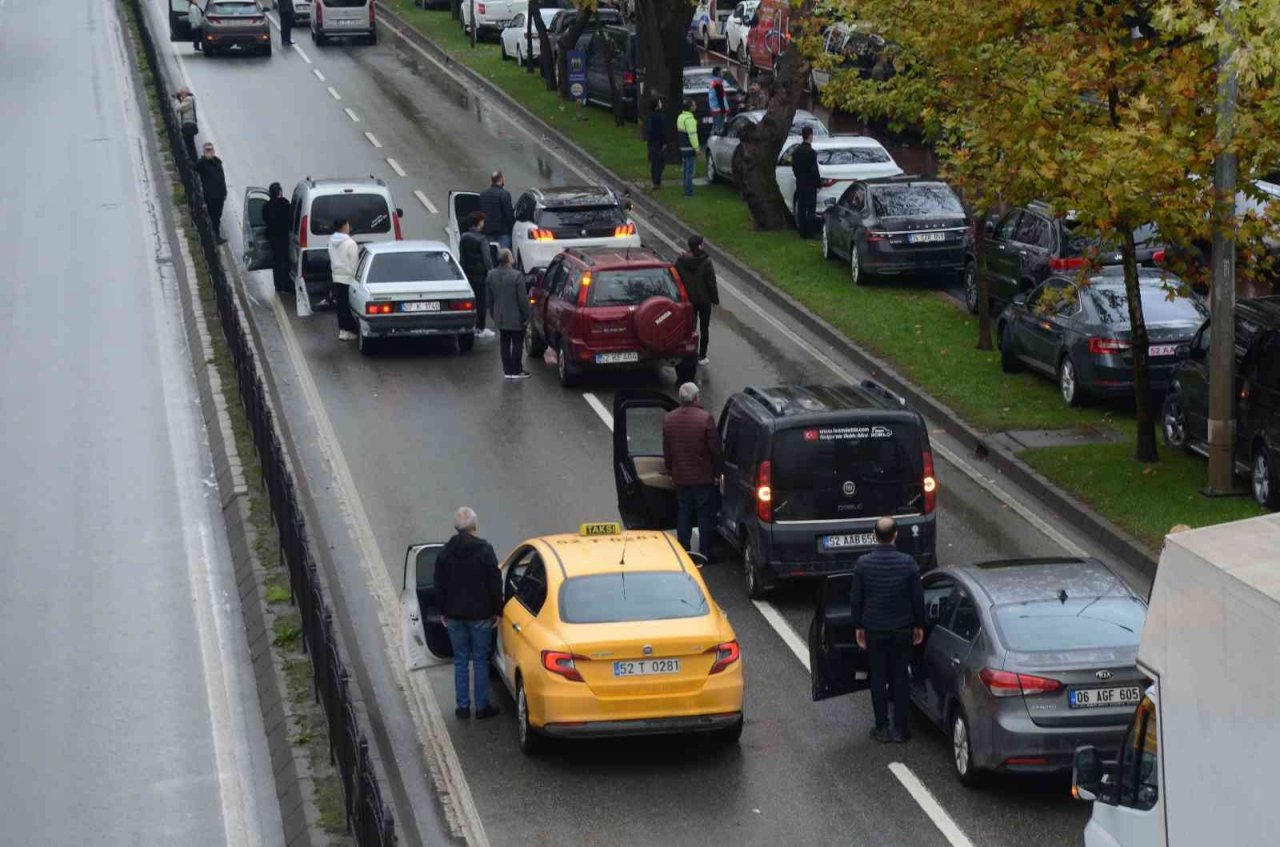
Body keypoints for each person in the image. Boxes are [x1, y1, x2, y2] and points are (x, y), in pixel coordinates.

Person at [850, 517, 925, 744]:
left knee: (878, 677)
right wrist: (919, 625)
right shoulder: (908, 564)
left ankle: (881, 726)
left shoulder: (863, 564)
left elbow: (856, 599)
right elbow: (917, 599)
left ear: (874, 536)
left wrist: (858, 626)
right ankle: (901, 729)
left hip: (875, 629)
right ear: (895, 536)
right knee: (900, 678)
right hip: (902, 629)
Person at [433, 507, 503, 721]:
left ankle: (462, 707)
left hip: (454, 616)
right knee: (480, 659)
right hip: (480, 616)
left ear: (456, 528)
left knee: (461, 660)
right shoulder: (485, 550)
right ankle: (482, 706)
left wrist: (443, 611)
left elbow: (439, 585)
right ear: (474, 527)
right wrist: (497, 611)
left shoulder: (445, 552)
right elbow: (494, 581)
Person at [662, 382, 721, 559]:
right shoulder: (705, 419)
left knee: (684, 513)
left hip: (681, 477)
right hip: (703, 478)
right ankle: (706, 551)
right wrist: (717, 473)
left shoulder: (669, 419)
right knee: (704, 514)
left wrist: (670, 471)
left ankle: (684, 550)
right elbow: (715, 449)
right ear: (696, 398)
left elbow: (668, 449)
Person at [486, 249, 532, 379]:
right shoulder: (517, 276)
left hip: (500, 316)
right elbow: (522, 299)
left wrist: (494, 313)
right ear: (509, 259)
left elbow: (489, 299)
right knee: (517, 343)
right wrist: (527, 315)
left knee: (504, 343)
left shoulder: (491, 275)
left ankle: (507, 370)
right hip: (516, 317)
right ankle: (516, 370)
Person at [674, 234, 718, 365]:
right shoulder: (706, 261)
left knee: (690, 327)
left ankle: (689, 353)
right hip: (704, 301)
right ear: (699, 246)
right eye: (702, 244)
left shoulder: (681, 261)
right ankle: (702, 355)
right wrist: (714, 299)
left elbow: (676, 279)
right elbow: (711, 283)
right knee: (704, 328)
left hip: (688, 301)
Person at [459, 212, 496, 338]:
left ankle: (471, 325)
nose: (484, 223)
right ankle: (481, 327)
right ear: (479, 222)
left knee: (471, 301)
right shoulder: (482, 239)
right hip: (480, 275)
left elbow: (462, 258)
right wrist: (491, 273)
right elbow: (487, 259)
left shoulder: (464, 237)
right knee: (481, 302)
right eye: (482, 221)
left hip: (468, 274)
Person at [327, 218, 360, 342]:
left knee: (341, 305)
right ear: (344, 226)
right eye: (347, 224)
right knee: (349, 306)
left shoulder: (331, 241)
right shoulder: (350, 243)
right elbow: (354, 263)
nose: (348, 226)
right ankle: (350, 330)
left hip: (336, 275)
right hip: (348, 278)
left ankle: (342, 330)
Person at [193, 142, 227, 243]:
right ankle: (214, 237)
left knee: (218, 215)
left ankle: (216, 235)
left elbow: (222, 178)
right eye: (207, 150)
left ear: (213, 151)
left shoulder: (217, 162)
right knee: (213, 217)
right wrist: (204, 158)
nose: (209, 152)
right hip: (211, 195)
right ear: (204, 151)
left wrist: (224, 192)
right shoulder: (202, 163)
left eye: (210, 149)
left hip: (220, 194)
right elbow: (194, 167)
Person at [791, 125, 821, 237]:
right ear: (810, 136)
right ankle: (810, 232)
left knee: (802, 208)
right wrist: (818, 183)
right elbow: (814, 170)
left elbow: (794, 167)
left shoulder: (796, 152)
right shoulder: (811, 152)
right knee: (811, 209)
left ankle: (802, 231)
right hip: (810, 185)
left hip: (800, 183)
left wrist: (799, 177)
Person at [263, 183, 292, 293]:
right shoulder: (285, 204)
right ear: (280, 192)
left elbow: (265, 220)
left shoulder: (267, 207)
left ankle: (278, 285)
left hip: (273, 238)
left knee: (276, 262)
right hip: (283, 237)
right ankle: (286, 284)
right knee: (285, 261)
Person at [478, 171, 516, 250]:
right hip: (502, 232)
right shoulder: (504, 194)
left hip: (487, 232)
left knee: (489, 256)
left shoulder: (483, 194)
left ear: (492, 180)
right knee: (503, 256)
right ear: (501, 179)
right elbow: (508, 214)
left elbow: (480, 213)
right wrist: (513, 228)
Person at [676, 99, 700, 197]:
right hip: (690, 148)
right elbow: (692, 135)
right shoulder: (690, 120)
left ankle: (686, 188)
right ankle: (689, 191)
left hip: (683, 147)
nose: (695, 106)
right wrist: (697, 148)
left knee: (685, 170)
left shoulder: (680, 117)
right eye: (694, 105)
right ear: (690, 107)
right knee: (690, 171)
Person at [645, 97, 666, 190]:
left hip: (651, 143)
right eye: (660, 102)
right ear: (657, 105)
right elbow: (662, 131)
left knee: (654, 162)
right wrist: (663, 142)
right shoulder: (660, 116)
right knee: (660, 162)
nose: (661, 103)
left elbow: (649, 130)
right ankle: (657, 181)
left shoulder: (650, 116)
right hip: (658, 143)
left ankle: (655, 180)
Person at [174, 88, 199, 162]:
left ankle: (193, 161)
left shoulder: (188, 100)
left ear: (185, 93)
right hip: (190, 125)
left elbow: (179, 108)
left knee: (189, 144)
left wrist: (176, 100)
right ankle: (193, 160)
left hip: (188, 125)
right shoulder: (190, 99)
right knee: (190, 144)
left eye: (181, 94)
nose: (181, 96)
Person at [707, 67, 728, 136]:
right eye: (722, 72)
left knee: (715, 126)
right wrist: (724, 111)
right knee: (719, 128)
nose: (723, 74)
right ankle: (716, 142)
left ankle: (712, 139)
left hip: (714, 108)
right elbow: (720, 98)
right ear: (718, 73)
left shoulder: (713, 82)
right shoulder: (717, 84)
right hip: (719, 109)